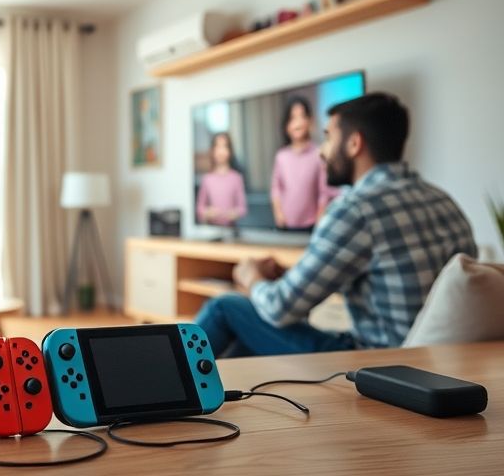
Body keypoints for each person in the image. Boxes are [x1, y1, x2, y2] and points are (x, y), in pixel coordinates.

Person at [196, 92, 476, 357]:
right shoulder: (443, 201)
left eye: (328, 138)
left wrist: (251, 277)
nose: (321, 151)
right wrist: (294, 275)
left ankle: (170, 381)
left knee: (225, 307)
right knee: (248, 336)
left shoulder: (355, 209)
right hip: (438, 363)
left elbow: (279, 309)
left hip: (376, 365)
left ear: (354, 144)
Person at [270, 96, 337, 230]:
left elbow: (325, 191)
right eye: (293, 118)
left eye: (302, 116)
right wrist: (278, 213)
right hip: (286, 224)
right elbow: (276, 188)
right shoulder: (281, 156)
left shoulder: (319, 153)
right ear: (286, 125)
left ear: (310, 121)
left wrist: (319, 218)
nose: (298, 123)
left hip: (312, 224)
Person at [196, 132, 248, 226]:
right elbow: (199, 209)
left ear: (230, 151)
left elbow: (242, 208)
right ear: (212, 151)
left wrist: (235, 213)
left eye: (224, 147)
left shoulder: (236, 178)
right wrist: (207, 212)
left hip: (231, 229)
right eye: (218, 147)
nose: (221, 151)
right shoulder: (207, 179)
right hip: (212, 229)